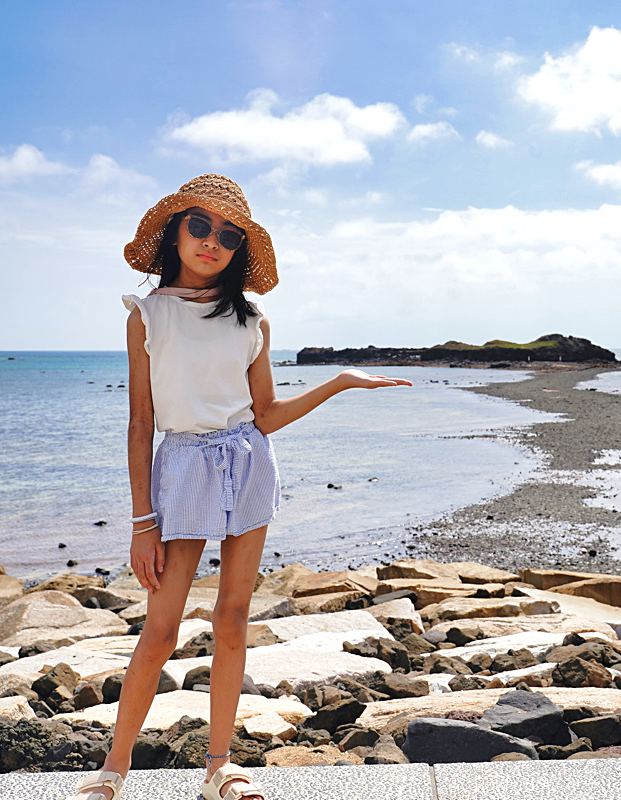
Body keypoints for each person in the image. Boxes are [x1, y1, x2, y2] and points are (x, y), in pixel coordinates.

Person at [67, 174, 411, 800]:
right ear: (174, 231)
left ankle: (219, 767)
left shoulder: (251, 320)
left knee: (233, 617)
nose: (211, 242)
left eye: (228, 235)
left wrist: (338, 383)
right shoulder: (148, 314)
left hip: (250, 462)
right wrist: (142, 523)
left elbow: (265, 415)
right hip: (183, 468)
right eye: (199, 226)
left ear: (240, 249)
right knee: (162, 629)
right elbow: (141, 423)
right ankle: (112, 771)